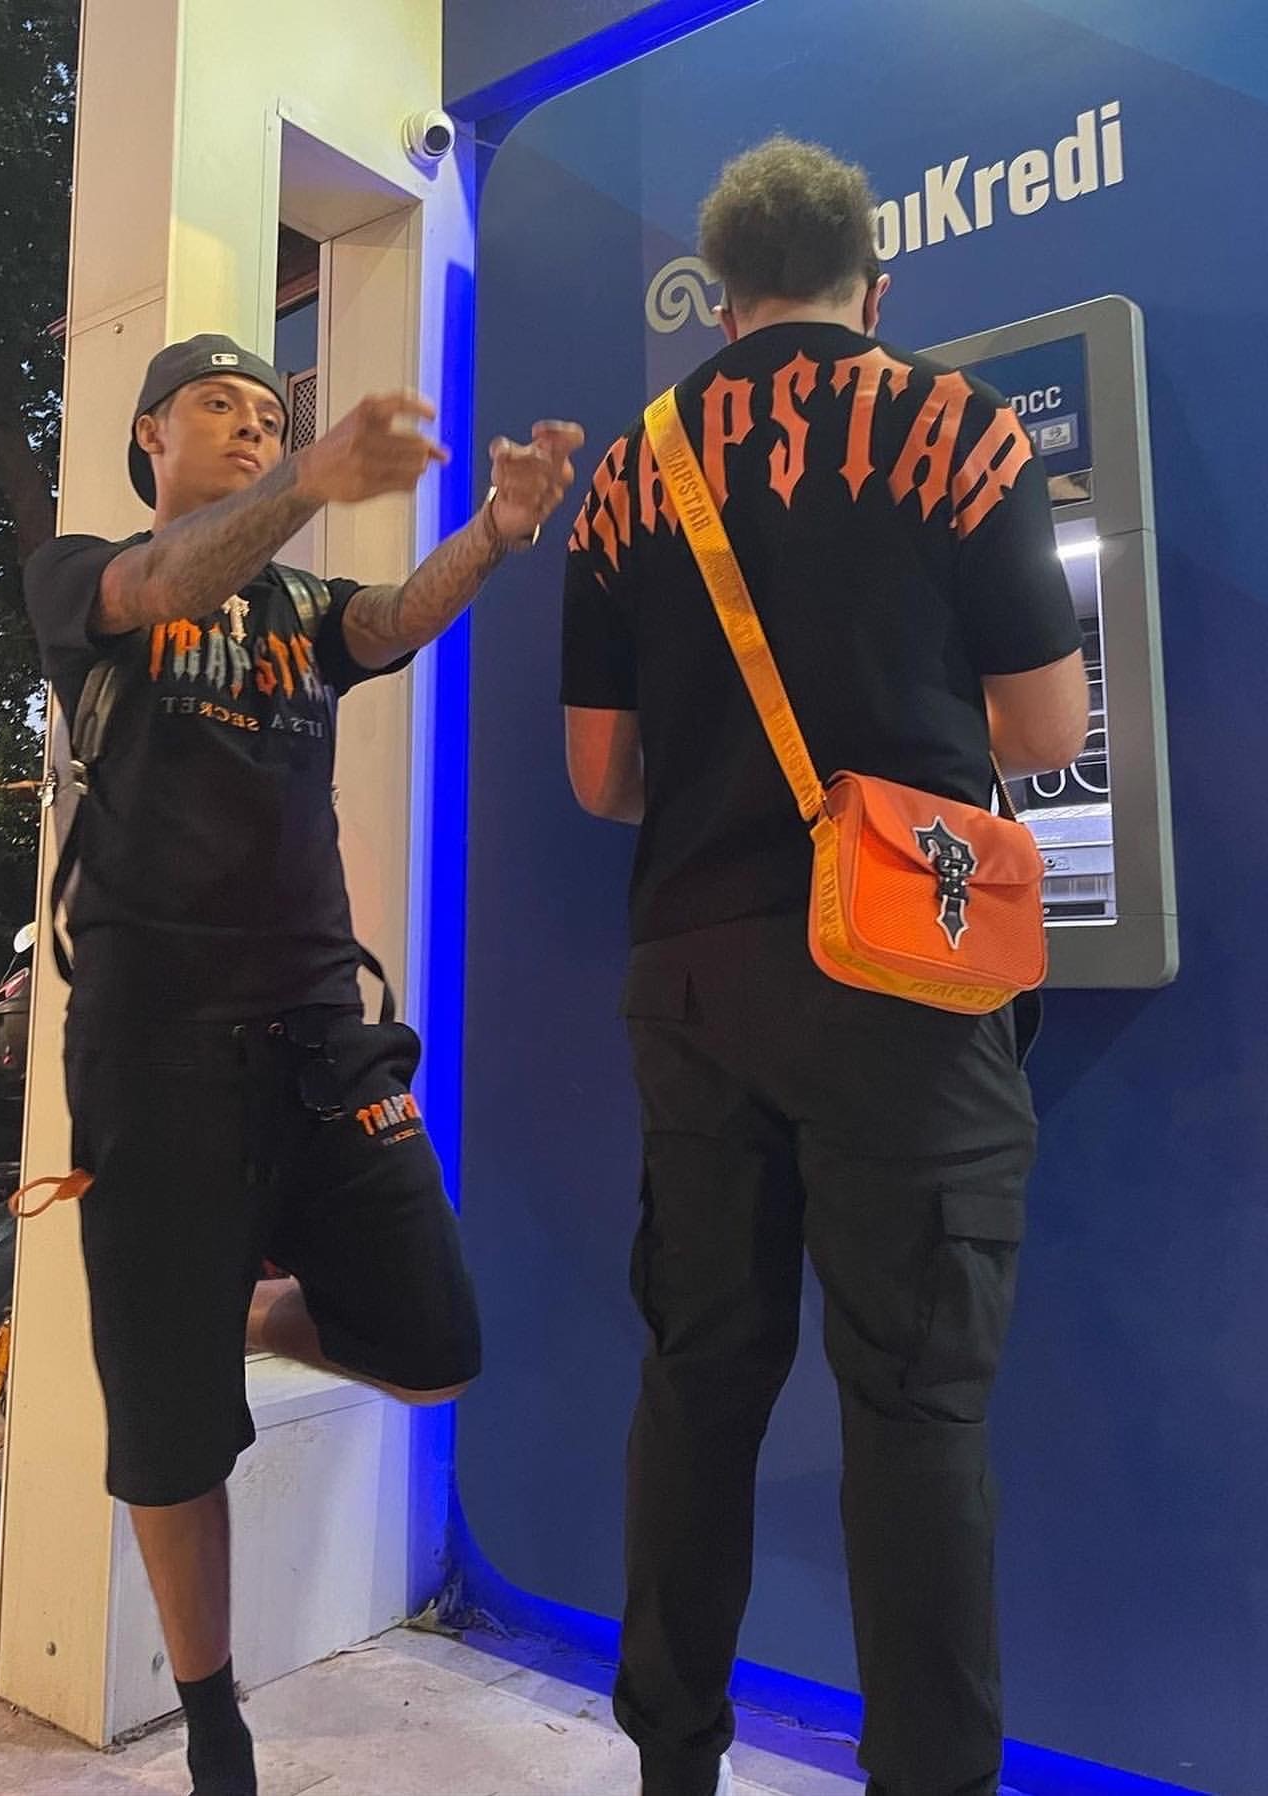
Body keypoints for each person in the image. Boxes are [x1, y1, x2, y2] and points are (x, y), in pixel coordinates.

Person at [560, 139, 1088, 1796]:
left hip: (696, 982)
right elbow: (1044, 729)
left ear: (718, 302)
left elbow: (601, 776)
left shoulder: (633, 469)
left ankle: (671, 1769)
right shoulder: (968, 429)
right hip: (905, 987)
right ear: (879, 284)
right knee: (916, 1411)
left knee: (698, 1386)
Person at [24, 332, 582, 1796]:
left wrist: (494, 531)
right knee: (170, 1434)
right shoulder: (84, 577)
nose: (251, 427)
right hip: (154, 1050)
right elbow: (162, 585)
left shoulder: (300, 607)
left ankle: (243, 1302)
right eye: (218, 405)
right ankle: (215, 1728)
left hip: (323, 1035)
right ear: (150, 436)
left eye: (271, 416)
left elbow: (390, 619)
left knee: (435, 1346)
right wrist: (313, 482)